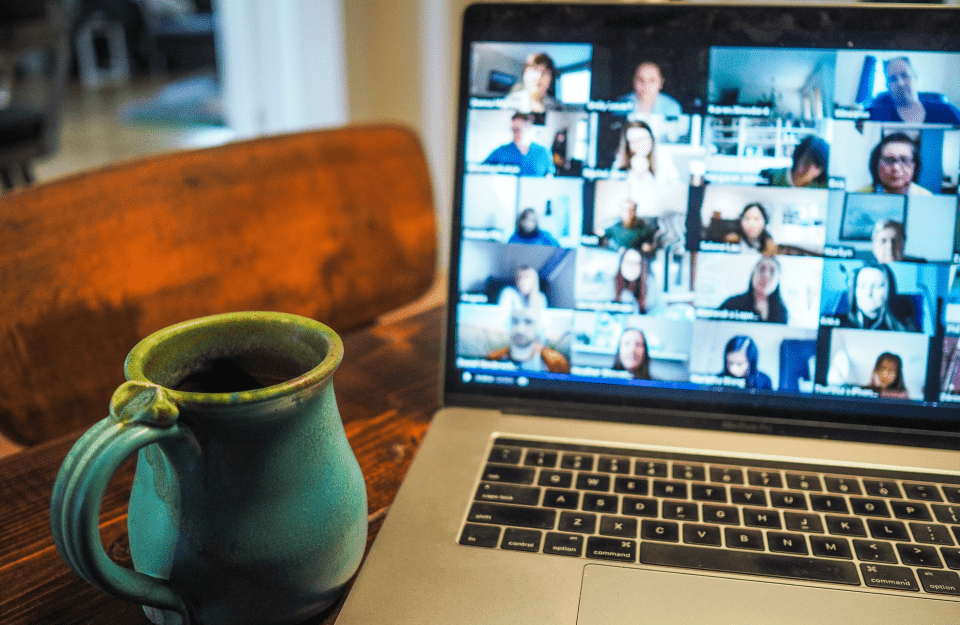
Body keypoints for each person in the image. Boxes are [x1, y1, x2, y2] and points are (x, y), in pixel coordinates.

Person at [868, 57, 960, 124]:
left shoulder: (947, 111)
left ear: (915, 78)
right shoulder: (877, 117)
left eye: (904, 75)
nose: (900, 83)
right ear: (887, 86)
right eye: (893, 79)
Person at [834, 264, 919, 332]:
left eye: (877, 286)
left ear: (889, 290)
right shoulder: (835, 323)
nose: (868, 293)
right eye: (862, 286)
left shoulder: (904, 328)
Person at [485, 305, 570, 373]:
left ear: (539, 327)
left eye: (528, 322)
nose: (520, 329)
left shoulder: (556, 363)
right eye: (515, 321)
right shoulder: (494, 358)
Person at [719, 256, 788, 323]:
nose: (766, 275)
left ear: (778, 280)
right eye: (762, 269)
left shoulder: (782, 312)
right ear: (753, 273)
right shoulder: (731, 304)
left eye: (772, 271)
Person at [483, 112, 556, 176]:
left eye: (518, 130)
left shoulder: (543, 152)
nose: (515, 134)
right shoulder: (500, 152)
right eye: (513, 130)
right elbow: (481, 171)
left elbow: (549, 177)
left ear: (529, 127)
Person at [858, 133, 932, 195]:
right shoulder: (861, 195)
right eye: (889, 160)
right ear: (876, 164)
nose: (896, 168)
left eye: (904, 160)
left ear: (915, 166)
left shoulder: (925, 198)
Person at [612, 119, 679, 187]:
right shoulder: (620, 160)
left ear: (651, 139)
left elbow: (676, 189)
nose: (639, 145)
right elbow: (613, 188)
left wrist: (645, 175)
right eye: (633, 141)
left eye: (642, 139)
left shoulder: (664, 157)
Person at [761, 135, 830, 188]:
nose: (810, 169)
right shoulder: (770, 178)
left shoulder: (823, 188)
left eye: (817, 166)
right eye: (807, 161)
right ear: (798, 156)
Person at [614, 247, 645, 313]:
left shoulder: (649, 285)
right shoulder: (611, 285)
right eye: (628, 262)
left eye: (636, 263)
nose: (632, 267)